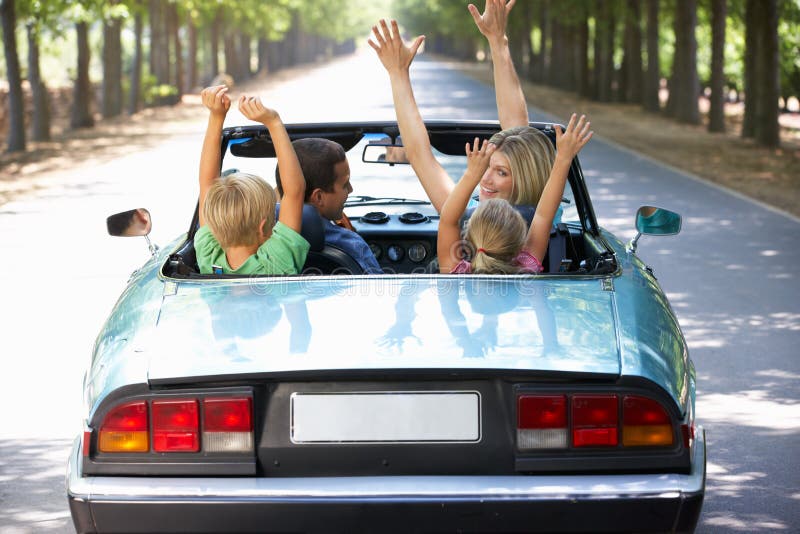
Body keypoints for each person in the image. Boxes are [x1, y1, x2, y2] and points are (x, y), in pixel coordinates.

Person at [368, 3, 563, 220]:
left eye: (502, 172)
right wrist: (497, 41)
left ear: (528, 177)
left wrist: (398, 73)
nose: (485, 179)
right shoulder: (543, 217)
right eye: (487, 166)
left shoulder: (463, 215)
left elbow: (419, 155)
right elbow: (518, 130)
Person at [438, 114, 592, 274]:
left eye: (501, 172)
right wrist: (563, 158)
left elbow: (448, 220)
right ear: (519, 238)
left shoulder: (457, 274)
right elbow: (543, 216)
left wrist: (472, 174)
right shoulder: (526, 267)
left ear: (469, 236)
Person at [194, 85, 309, 275]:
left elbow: (207, 183)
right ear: (263, 227)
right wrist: (273, 122)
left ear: (214, 225)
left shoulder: (208, 255)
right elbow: (294, 192)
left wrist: (216, 116)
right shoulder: (276, 263)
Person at [275, 138, 383, 274]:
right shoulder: (351, 244)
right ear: (319, 197)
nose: (350, 189)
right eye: (345, 184)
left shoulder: (262, 244)